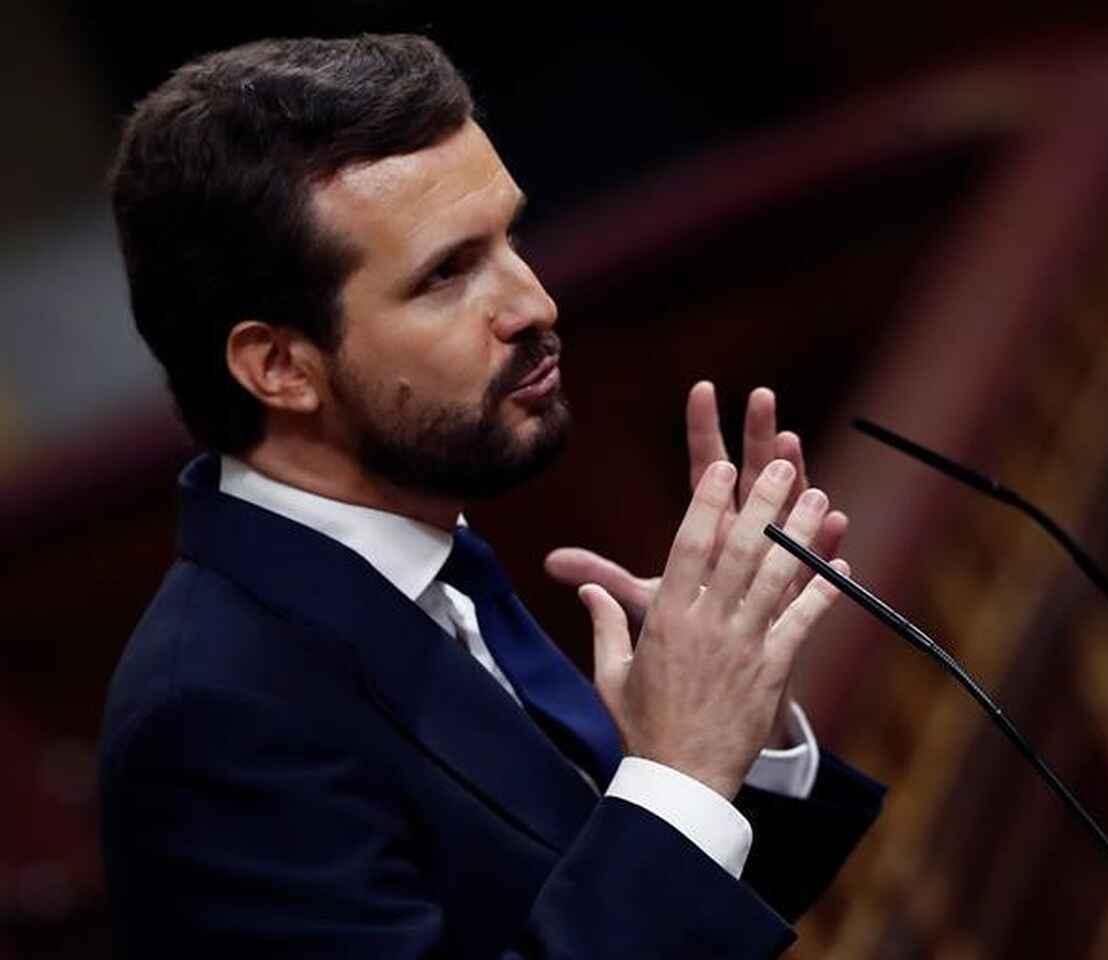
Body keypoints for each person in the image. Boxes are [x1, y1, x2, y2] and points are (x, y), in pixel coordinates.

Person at [98, 33, 883, 957]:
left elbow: (667, 919)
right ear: (277, 366)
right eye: (447, 274)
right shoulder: (213, 721)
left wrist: (724, 724)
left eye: (510, 237)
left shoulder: (431, 560)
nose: (534, 304)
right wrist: (681, 771)